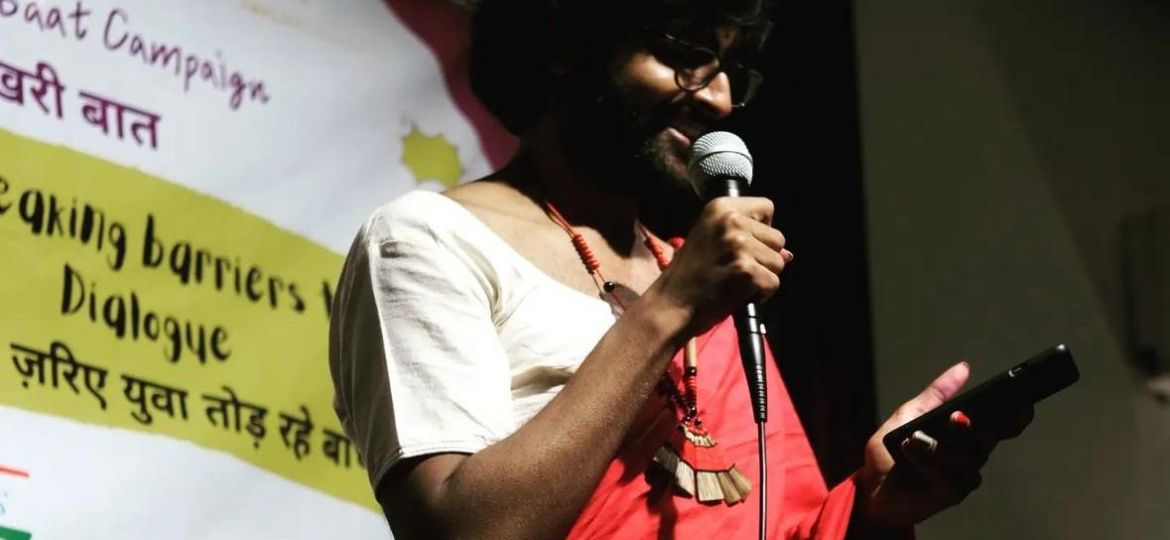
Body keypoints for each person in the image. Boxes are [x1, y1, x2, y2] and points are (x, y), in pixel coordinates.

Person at [329, 0, 1032, 538]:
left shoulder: (689, 274)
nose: (719, 99)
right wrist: (669, 308)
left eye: (729, 70)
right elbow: (461, 529)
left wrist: (873, 508)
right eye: (684, 57)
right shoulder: (429, 239)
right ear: (566, 45)